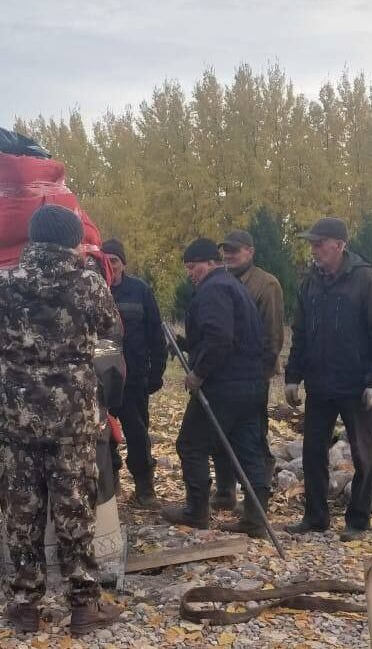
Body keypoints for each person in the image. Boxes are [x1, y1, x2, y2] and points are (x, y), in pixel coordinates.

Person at [0, 205, 124, 635]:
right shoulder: (90, 286)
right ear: (72, 240)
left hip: (14, 418)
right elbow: (109, 329)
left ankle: (24, 607)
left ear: (33, 238)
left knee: (20, 512)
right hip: (71, 421)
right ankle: (83, 606)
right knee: (75, 510)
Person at [283, 217, 372, 542]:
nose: (314, 250)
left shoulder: (366, 280)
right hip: (319, 384)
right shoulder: (310, 283)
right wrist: (293, 377)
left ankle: (358, 522)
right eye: (312, 244)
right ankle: (316, 517)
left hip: (356, 386)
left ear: (339, 245)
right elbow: (300, 333)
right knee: (313, 451)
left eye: (320, 243)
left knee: (363, 454)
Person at [161, 238, 269, 536]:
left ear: (210, 262)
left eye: (193, 266)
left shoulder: (213, 289)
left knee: (191, 444)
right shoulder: (234, 287)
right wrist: (184, 344)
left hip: (223, 386)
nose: (189, 273)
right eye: (186, 267)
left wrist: (198, 373)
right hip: (250, 384)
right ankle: (256, 519)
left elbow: (220, 338)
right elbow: (226, 335)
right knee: (248, 451)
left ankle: (196, 511)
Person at [211, 229, 284, 513]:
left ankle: (256, 501)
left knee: (253, 437)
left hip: (252, 376)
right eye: (225, 251)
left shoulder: (267, 285)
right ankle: (224, 491)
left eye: (235, 250)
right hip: (223, 376)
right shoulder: (220, 280)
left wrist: (261, 374)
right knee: (220, 433)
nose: (228, 255)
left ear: (250, 251)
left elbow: (272, 335)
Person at [99, 239, 168, 509]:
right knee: (103, 433)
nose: (111, 266)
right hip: (101, 382)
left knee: (138, 434)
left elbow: (156, 334)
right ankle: (110, 482)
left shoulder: (140, 290)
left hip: (134, 379)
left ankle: (145, 487)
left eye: (115, 260)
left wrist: (157, 372)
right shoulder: (93, 290)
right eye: (105, 260)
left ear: (123, 263)